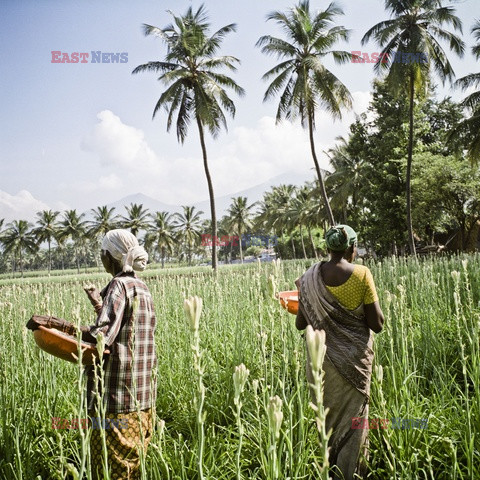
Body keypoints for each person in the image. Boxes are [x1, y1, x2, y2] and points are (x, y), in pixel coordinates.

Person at [295, 225, 384, 480]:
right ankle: (352, 472)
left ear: (328, 248)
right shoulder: (362, 275)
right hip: (354, 362)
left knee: (327, 418)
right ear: (352, 248)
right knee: (355, 420)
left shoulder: (309, 277)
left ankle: (329, 469)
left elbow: (301, 324)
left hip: (320, 359)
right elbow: (376, 324)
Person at [80, 228, 157, 479]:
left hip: (116, 401)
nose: (101, 257)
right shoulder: (141, 287)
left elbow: (102, 336)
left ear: (110, 256)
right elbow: (124, 326)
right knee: (133, 468)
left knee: (110, 468)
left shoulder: (118, 286)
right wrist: (97, 302)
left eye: (102, 252)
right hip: (142, 400)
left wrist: (64, 329)